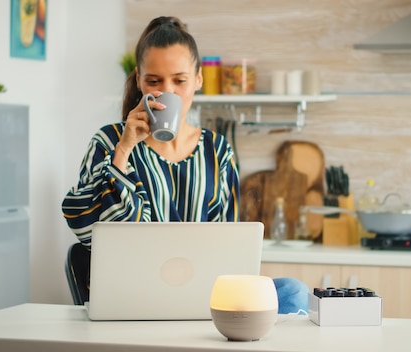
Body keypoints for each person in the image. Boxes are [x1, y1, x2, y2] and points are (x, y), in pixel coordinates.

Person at [61, 16, 308, 314]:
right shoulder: (109, 141)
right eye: (154, 81)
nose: (168, 92)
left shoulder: (217, 150)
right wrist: (124, 149)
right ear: (138, 79)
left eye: (179, 81)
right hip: (134, 295)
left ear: (198, 80)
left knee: (294, 292)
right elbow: (92, 233)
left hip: (204, 293)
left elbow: (228, 242)